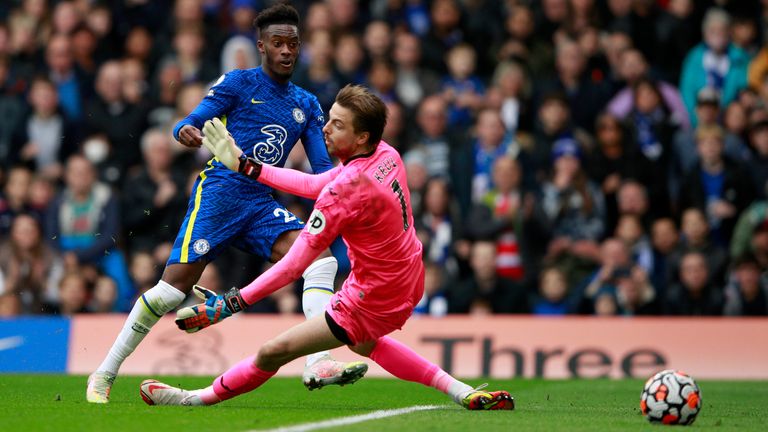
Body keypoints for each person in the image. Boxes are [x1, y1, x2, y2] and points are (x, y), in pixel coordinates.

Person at [140, 85, 513, 411]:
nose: (325, 129)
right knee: (367, 345)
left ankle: (194, 399)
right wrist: (245, 165)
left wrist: (231, 303)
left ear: (362, 137)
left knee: (274, 351)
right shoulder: (387, 154)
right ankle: (461, 390)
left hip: (372, 294)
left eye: (338, 125)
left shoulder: (343, 194)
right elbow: (314, 181)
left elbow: (292, 266)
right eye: (329, 118)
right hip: (409, 276)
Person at [87, 4, 364, 404]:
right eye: (278, 43)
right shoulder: (238, 83)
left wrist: (349, 181)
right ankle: (103, 373)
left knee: (320, 260)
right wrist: (185, 130)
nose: (287, 50)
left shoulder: (306, 103)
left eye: (293, 44)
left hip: (258, 202)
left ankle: (318, 360)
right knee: (169, 292)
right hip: (219, 194)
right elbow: (192, 119)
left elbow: (322, 174)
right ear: (262, 47)